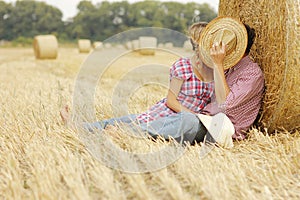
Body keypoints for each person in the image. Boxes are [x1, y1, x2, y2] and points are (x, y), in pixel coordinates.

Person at [61, 22, 215, 135]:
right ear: (198, 43)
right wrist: (193, 115)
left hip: (183, 120)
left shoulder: (217, 71)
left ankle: (118, 131)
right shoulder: (183, 66)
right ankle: (78, 126)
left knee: (133, 122)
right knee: (126, 120)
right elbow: (171, 101)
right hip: (169, 113)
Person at [139, 16, 265, 143]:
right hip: (204, 118)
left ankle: (135, 131)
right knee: (153, 118)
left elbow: (225, 104)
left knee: (187, 120)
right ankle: (126, 125)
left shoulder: (251, 73)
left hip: (222, 128)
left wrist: (218, 64)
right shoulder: (229, 68)